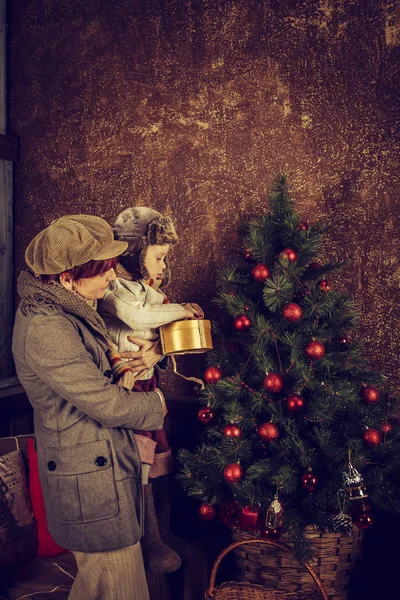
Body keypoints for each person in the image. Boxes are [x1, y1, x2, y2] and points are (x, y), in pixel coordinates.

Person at [12, 214, 168, 600]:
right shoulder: (47, 327)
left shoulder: (69, 308)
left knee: (104, 585)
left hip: (101, 468)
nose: (112, 279)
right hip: (88, 478)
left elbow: (103, 366)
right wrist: (158, 403)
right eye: (102, 272)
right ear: (66, 278)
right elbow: (108, 406)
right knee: (120, 586)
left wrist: (139, 359)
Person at [98, 207, 204, 574]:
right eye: (158, 256)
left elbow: (156, 333)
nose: (162, 266)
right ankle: (149, 538)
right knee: (138, 455)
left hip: (148, 382)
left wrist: (157, 348)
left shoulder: (145, 289)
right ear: (133, 250)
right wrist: (179, 312)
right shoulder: (112, 287)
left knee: (160, 449)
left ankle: (165, 529)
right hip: (123, 388)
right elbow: (139, 320)